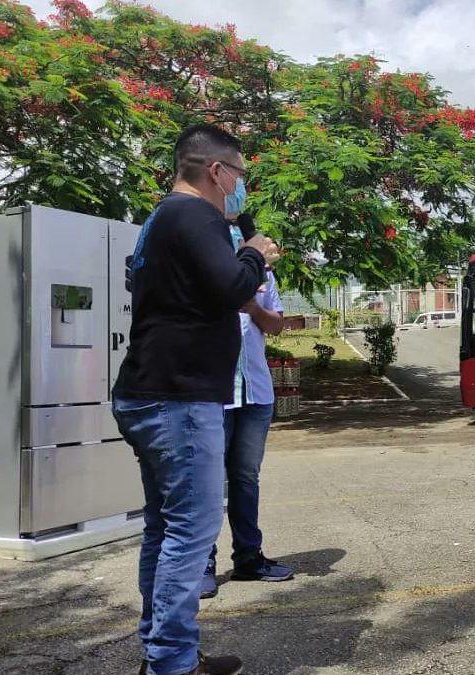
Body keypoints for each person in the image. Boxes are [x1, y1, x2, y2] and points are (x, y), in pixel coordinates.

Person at [113, 123, 279, 675]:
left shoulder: (162, 219)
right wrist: (255, 253)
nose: (241, 188)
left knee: (166, 530)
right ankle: (170, 665)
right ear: (216, 171)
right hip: (178, 401)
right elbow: (231, 287)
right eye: (240, 175)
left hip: (152, 394)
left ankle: (165, 653)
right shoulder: (196, 215)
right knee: (190, 532)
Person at [200, 218, 293, 600]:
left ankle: (249, 558)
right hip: (215, 395)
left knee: (245, 479)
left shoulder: (265, 280)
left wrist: (252, 304)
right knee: (206, 483)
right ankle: (202, 564)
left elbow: (276, 327)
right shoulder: (207, 274)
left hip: (256, 394)